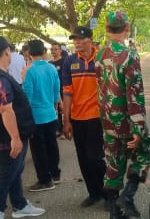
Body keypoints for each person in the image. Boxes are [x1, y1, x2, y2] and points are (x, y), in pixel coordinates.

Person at [0, 36, 45, 219]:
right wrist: (15, 138)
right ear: (7, 52)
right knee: (7, 173)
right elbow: (5, 110)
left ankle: (20, 205)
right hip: (8, 138)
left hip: (11, 135)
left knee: (15, 171)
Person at [95, 11, 150, 219]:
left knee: (113, 165)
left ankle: (115, 214)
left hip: (108, 121)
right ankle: (127, 196)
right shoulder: (130, 55)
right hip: (126, 121)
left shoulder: (99, 54)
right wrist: (138, 127)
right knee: (145, 152)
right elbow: (133, 94)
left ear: (107, 29)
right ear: (126, 28)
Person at [62, 26, 107, 208]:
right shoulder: (69, 62)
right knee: (83, 158)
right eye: (75, 40)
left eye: (81, 39)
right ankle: (93, 193)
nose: (77, 42)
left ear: (90, 39)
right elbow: (67, 92)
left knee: (95, 157)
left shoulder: (102, 58)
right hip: (77, 118)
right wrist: (66, 120)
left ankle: (108, 193)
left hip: (97, 117)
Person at [21, 40, 61, 193]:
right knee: (52, 145)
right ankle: (55, 174)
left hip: (36, 116)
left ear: (29, 53)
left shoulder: (30, 71)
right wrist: (55, 108)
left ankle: (45, 180)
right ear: (44, 52)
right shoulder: (51, 67)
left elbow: (27, 97)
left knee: (39, 150)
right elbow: (56, 91)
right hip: (51, 114)